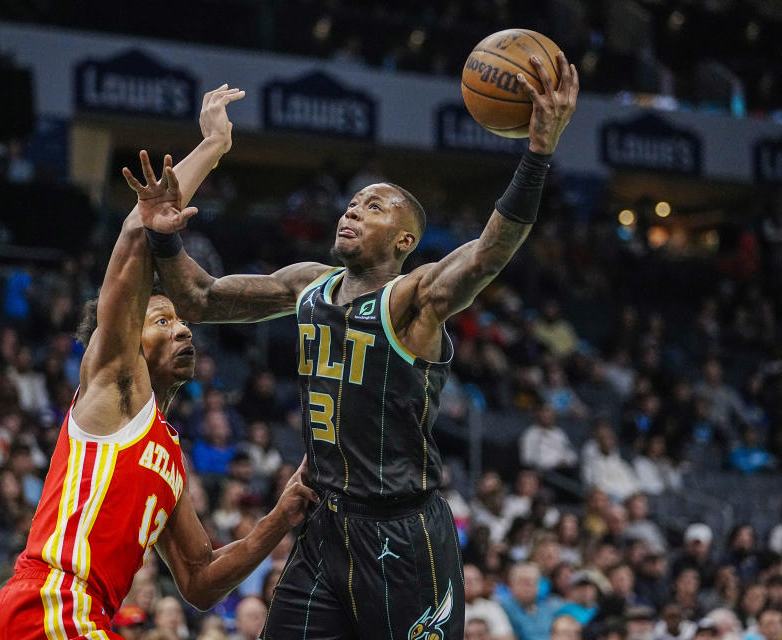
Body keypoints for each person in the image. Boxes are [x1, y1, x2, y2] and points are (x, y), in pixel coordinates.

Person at [142, 56, 578, 639]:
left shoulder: (414, 298)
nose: (352, 210)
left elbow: (488, 252)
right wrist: (163, 237)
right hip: (327, 526)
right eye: (352, 203)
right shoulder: (306, 283)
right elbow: (198, 297)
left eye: (375, 206)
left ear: (404, 239)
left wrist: (538, 153)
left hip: (405, 532)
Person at [0, 101, 317, 639]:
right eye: (162, 319)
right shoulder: (113, 385)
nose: (184, 329)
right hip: (52, 601)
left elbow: (201, 579)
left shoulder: (168, 454)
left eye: (184, 322)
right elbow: (137, 233)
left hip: (79, 616)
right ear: (125, 336)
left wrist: (281, 516)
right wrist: (211, 148)